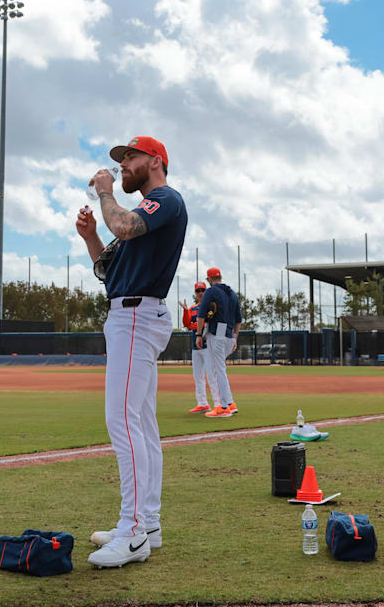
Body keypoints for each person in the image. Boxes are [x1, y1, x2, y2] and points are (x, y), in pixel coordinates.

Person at [78, 136, 187, 567]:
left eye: (131, 157)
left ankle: (134, 531)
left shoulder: (165, 200)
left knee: (122, 419)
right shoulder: (143, 211)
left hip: (138, 316)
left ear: (156, 161)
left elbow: (123, 226)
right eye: (120, 160)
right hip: (130, 311)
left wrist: (105, 192)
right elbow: (108, 269)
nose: (123, 164)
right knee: (139, 421)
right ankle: (149, 523)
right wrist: (90, 237)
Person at [197, 267, 242, 418]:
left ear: (209, 279)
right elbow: (238, 320)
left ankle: (222, 407)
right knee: (216, 369)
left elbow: (201, 314)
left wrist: (198, 334)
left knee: (217, 370)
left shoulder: (211, 291)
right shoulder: (232, 293)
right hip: (229, 333)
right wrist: (235, 338)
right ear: (220, 277)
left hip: (218, 331)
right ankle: (230, 403)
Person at [180, 281, 220, 414]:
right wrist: (186, 311)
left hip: (208, 345)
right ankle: (202, 403)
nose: (201, 293)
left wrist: (196, 325)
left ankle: (219, 404)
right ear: (195, 293)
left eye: (203, 290)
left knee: (212, 375)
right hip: (196, 346)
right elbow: (187, 324)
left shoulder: (211, 306)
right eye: (198, 291)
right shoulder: (192, 309)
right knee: (198, 376)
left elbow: (205, 324)